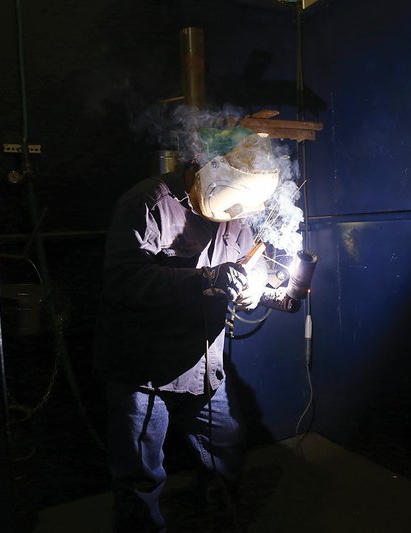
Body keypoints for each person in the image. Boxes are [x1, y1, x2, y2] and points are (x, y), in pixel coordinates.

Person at [94, 133, 279, 532]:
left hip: (202, 363)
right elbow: (124, 280)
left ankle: (219, 519)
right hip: (144, 370)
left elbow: (249, 261)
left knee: (227, 449)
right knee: (140, 474)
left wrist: (253, 288)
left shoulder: (235, 210)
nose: (233, 212)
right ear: (204, 170)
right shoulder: (148, 204)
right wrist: (203, 279)